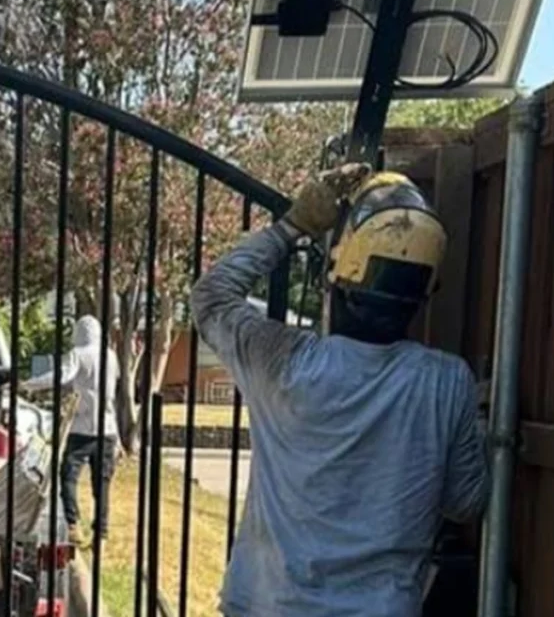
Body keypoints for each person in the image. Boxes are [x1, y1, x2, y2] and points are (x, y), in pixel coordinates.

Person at [191, 164, 490, 617]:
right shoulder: (446, 382)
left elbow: (211, 297)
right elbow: (465, 503)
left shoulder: (284, 361)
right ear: (424, 293)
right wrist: (484, 424)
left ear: (338, 275)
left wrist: (293, 227)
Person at [22, 314, 120, 546]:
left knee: (68, 475)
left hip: (82, 428)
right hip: (107, 429)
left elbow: (61, 376)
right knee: (102, 483)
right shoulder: (111, 356)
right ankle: (101, 534)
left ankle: (73, 524)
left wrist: (28, 384)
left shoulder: (79, 354)